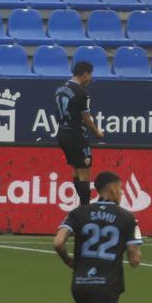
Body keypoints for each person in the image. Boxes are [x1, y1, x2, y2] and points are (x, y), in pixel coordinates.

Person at [53, 171, 143, 303]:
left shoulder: (78, 213)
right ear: (112, 188)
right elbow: (135, 259)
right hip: (107, 286)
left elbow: (58, 242)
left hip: (80, 284)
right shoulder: (127, 217)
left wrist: (69, 261)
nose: (122, 193)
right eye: (120, 188)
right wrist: (133, 253)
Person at [55, 61, 105, 207]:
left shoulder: (60, 90)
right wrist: (97, 132)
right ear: (85, 74)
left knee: (76, 171)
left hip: (62, 134)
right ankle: (85, 209)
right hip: (76, 135)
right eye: (90, 76)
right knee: (85, 174)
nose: (90, 79)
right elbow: (87, 118)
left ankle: (82, 206)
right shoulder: (82, 93)